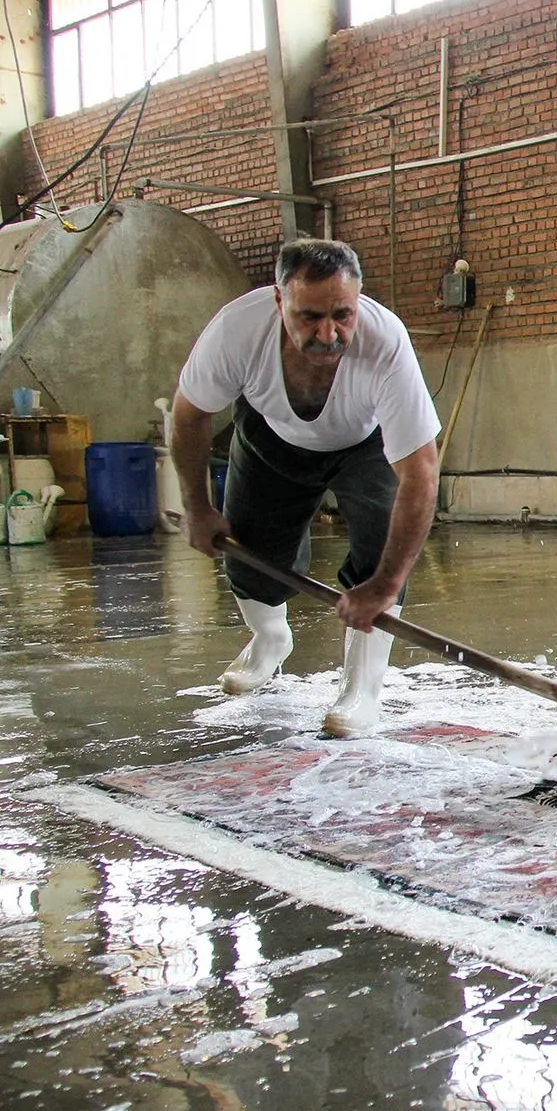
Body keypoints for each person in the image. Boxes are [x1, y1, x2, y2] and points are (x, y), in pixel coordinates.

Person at [170, 238, 440, 737]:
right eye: (309, 316)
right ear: (279, 302)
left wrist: (381, 586)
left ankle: (361, 690)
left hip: (365, 442)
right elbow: (189, 415)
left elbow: (421, 473)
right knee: (250, 555)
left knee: (383, 546)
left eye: (342, 314)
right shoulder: (237, 330)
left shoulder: (386, 343)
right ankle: (269, 640)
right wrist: (197, 506)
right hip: (272, 434)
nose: (328, 332)